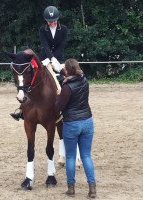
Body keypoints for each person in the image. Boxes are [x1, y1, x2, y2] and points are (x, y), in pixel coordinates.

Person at [10, 5, 68, 121]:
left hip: (58, 58)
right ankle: (22, 109)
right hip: (44, 58)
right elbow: (45, 46)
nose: (51, 23)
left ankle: (66, 107)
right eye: (49, 21)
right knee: (30, 79)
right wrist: (49, 58)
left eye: (53, 21)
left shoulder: (64, 29)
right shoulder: (42, 29)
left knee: (64, 77)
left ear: (57, 19)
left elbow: (61, 46)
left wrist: (54, 59)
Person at [55, 58, 97, 198]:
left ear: (67, 70)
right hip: (87, 121)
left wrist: (58, 95)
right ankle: (92, 189)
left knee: (71, 157)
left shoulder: (67, 87)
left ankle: (71, 189)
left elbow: (58, 108)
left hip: (72, 123)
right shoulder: (85, 81)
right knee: (86, 156)